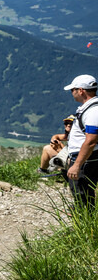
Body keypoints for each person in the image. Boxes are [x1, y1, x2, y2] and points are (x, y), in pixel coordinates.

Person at [63, 74, 98, 208]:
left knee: (82, 193)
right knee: (83, 193)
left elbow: (91, 141)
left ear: (81, 90)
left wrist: (77, 165)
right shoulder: (90, 108)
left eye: (73, 90)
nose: (72, 93)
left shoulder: (93, 111)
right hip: (86, 158)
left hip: (85, 160)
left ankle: (87, 222)